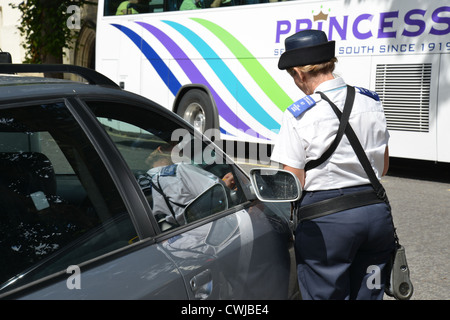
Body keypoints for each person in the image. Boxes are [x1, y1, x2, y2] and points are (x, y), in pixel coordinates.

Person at [271, 29, 395, 300]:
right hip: (376, 215)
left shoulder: (298, 115)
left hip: (328, 222)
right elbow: (383, 167)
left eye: (293, 76)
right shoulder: (371, 102)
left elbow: (293, 182)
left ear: (300, 73)